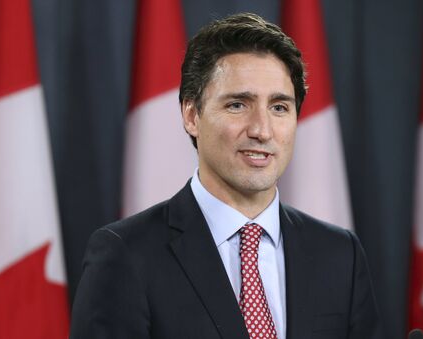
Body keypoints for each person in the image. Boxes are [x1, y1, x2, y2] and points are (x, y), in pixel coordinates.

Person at [70, 13, 383, 339]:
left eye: (279, 107)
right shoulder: (126, 255)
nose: (262, 130)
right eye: (237, 105)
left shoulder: (340, 255)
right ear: (192, 116)